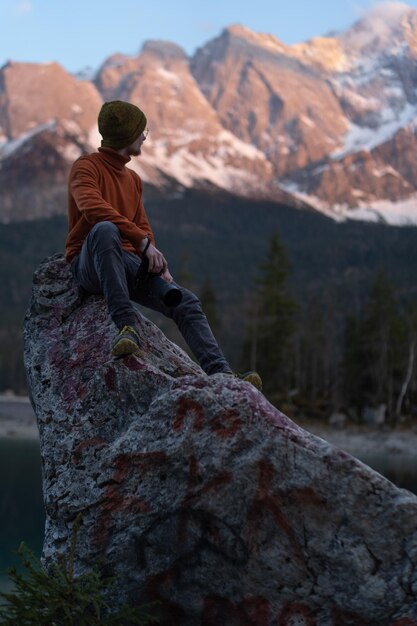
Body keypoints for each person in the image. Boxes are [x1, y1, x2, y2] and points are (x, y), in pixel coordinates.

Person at [65, 100, 262, 390]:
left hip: (126, 262)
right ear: (127, 136)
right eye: (142, 131)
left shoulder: (132, 179)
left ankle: (222, 375)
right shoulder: (86, 167)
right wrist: (142, 243)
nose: (145, 136)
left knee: (185, 301)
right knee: (104, 230)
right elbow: (92, 208)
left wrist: (157, 263)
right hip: (90, 262)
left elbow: (142, 226)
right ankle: (126, 327)